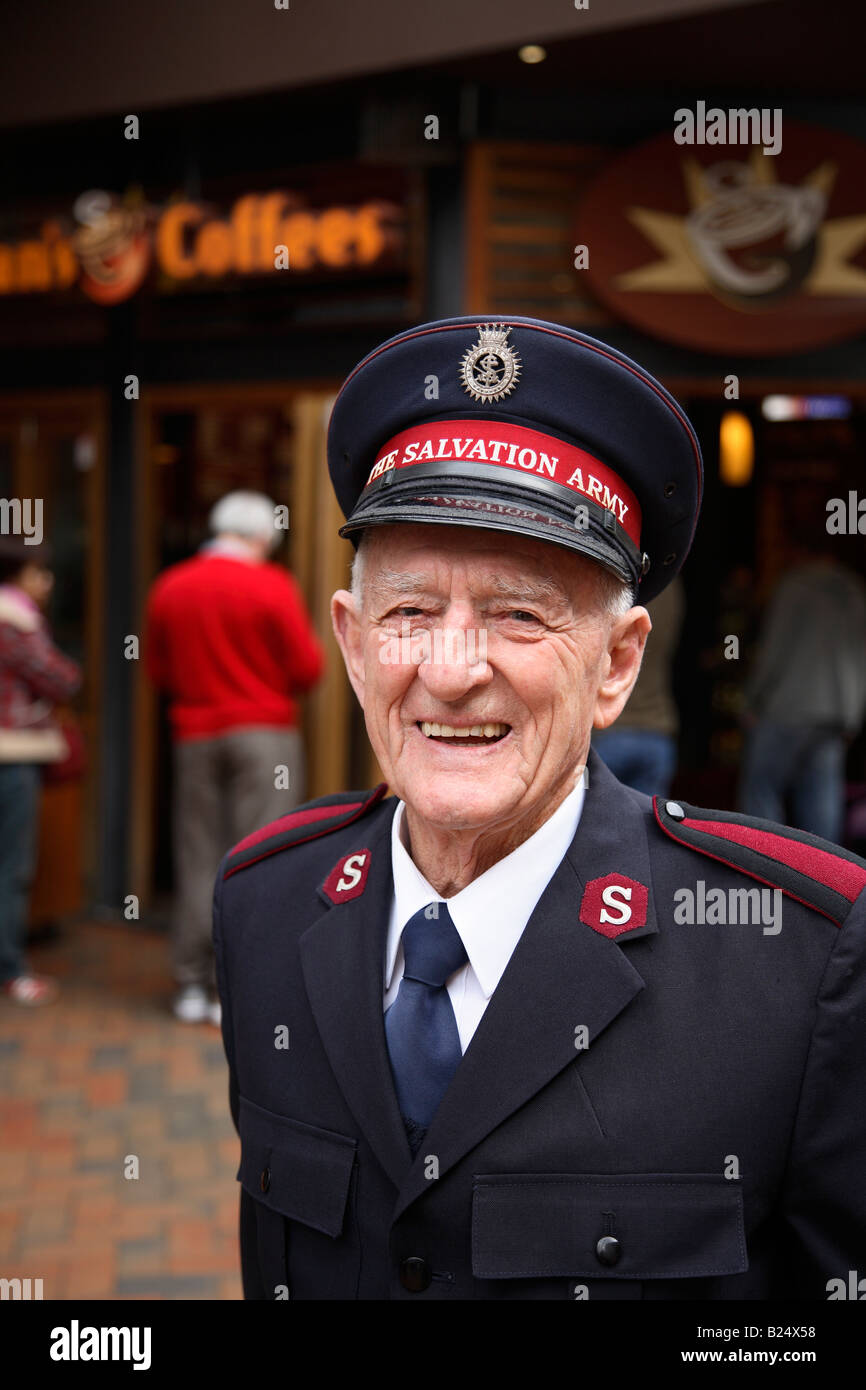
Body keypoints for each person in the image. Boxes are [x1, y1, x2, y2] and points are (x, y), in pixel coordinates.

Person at [213, 316, 866, 1300]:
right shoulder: (264, 902)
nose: (450, 670)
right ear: (351, 646)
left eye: (518, 613)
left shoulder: (797, 957)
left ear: (614, 664)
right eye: (409, 611)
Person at [145, 491, 324, 1026]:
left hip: (195, 733)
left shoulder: (171, 586)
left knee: (197, 854)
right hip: (263, 735)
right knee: (259, 858)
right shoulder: (271, 584)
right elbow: (307, 669)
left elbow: (158, 670)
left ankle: (190, 985)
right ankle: (235, 990)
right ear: (263, 537)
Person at [0, 538, 81, 1006]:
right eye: (39, 572)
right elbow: (62, 678)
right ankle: (10, 968)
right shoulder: (16, 621)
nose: (46, 582)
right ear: (18, 576)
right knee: (12, 864)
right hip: (12, 755)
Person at [740, 553, 866, 844]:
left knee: (761, 790)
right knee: (820, 800)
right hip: (834, 713)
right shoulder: (853, 590)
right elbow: (861, 656)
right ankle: (823, 880)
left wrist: (751, 700)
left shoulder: (795, 585)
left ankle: (762, 868)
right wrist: (853, 715)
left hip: (787, 706)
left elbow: (774, 650)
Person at [592, 574, 684, 796]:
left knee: (595, 826)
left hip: (609, 731)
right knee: (647, 827)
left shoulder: (608, 578)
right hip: (657, 730)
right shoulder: (670, 587)